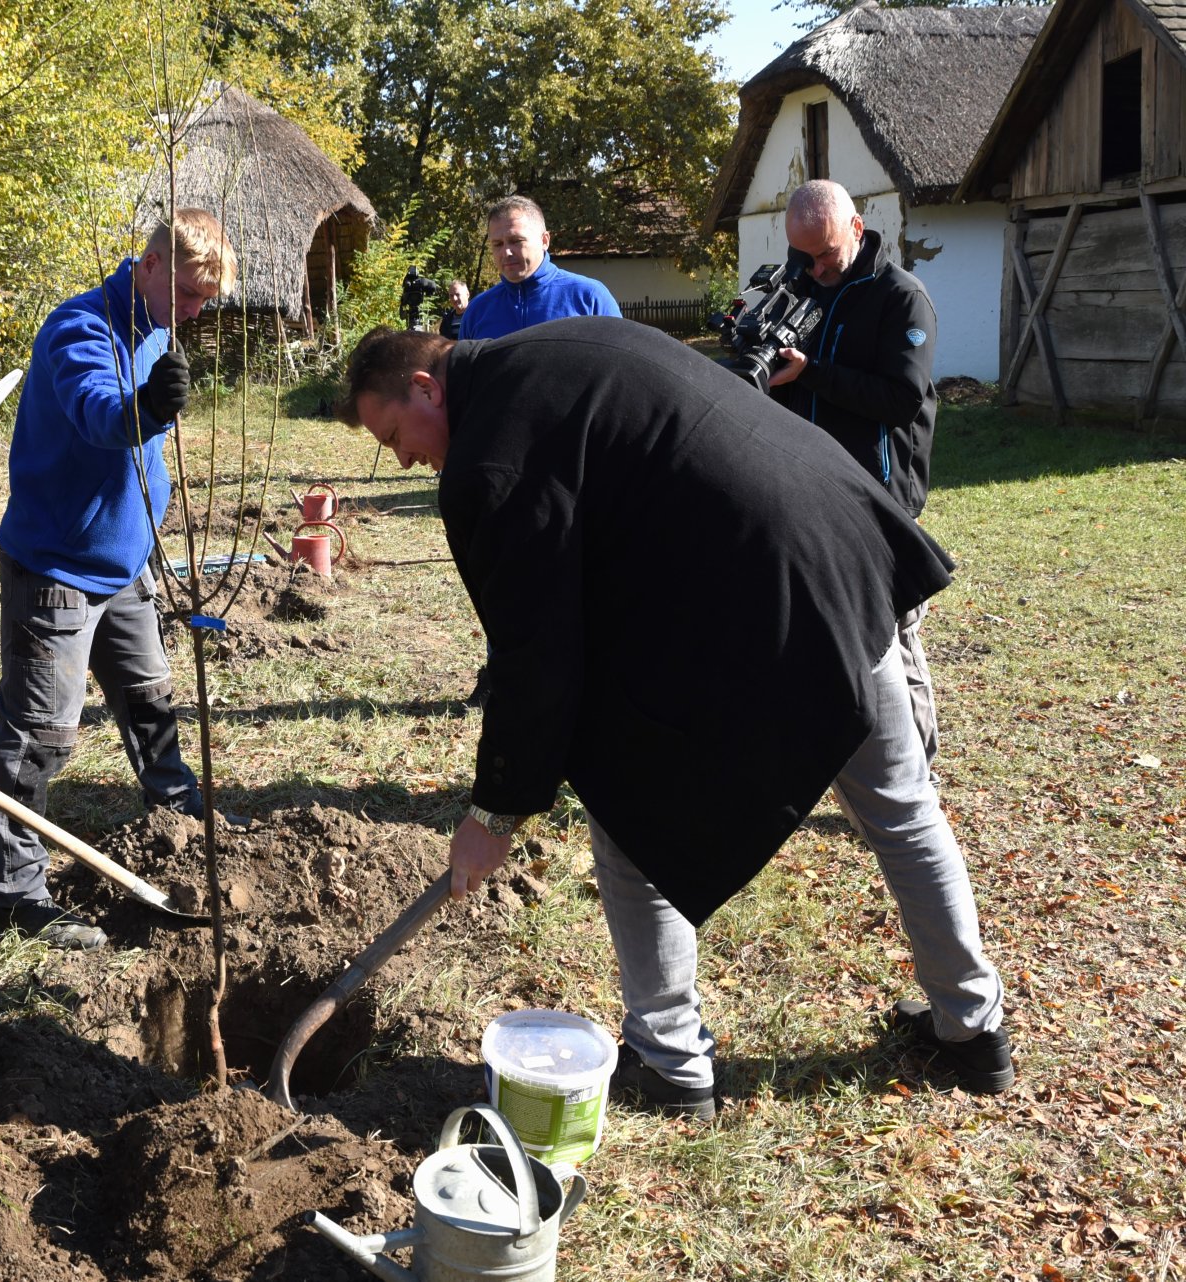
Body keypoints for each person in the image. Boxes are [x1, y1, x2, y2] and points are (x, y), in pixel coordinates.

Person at [338, 319, 1011, 1122]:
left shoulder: (491, 455)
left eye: (394, 436)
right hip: (841, 542)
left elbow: (535, 655)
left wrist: (495, 811)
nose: (403, 460)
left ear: (425, 388)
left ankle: (669, 1060)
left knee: (630, 812)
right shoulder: (555, 349)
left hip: (763, 582)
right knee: (901, 804)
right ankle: (973, 1028)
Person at [0, 209, 236, 951]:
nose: (194, 314)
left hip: (124, 564)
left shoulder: (156, 325)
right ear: (150, 265)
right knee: (38, 736)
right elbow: (99, 414)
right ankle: (15, 896)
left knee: (150, 700)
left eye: (204, 302)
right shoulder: (79, 328)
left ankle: (179, 820)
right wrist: (145, 409)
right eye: (188, 295)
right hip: (58, 567)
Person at [770, 179, 943, 766]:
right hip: (808, 490)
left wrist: (812, 372)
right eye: (802, 255)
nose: (814, 269)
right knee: (824, 634)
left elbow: (901, 400)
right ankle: (841, 763)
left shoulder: (902, 297)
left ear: (857, 229)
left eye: (824, 254)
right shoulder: (800, 284)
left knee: (893, 638)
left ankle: (920, 777)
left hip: (879, 497)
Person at [460, 196, 620, 341]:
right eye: (498, 244)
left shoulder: (589, 297)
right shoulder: (477, 311)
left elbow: (622, 361)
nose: (506, 252)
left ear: (544, 241)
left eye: (516, 241)